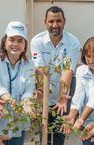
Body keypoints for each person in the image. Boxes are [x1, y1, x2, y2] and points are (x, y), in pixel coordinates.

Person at [31, 6, 81, 145]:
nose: (55, 25)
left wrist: (62, 98)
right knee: (44, 133)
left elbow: (67, 71)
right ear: (45, 22)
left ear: (64, 22)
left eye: (58, 21)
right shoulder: (37, 41)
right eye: (51, 21)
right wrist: (42, 98)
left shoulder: (73, 43)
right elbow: (40, 71)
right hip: (43, 94)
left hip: (62, 96)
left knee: (59, 134)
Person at [0, 21, 35, 145]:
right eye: (11, 39)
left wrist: (27, 102)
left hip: (18, 119)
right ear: (4, 41)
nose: (15, 44)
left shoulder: (29, 64)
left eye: (20, 40)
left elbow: (29, 89)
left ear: (25, 45)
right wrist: (10, 100)